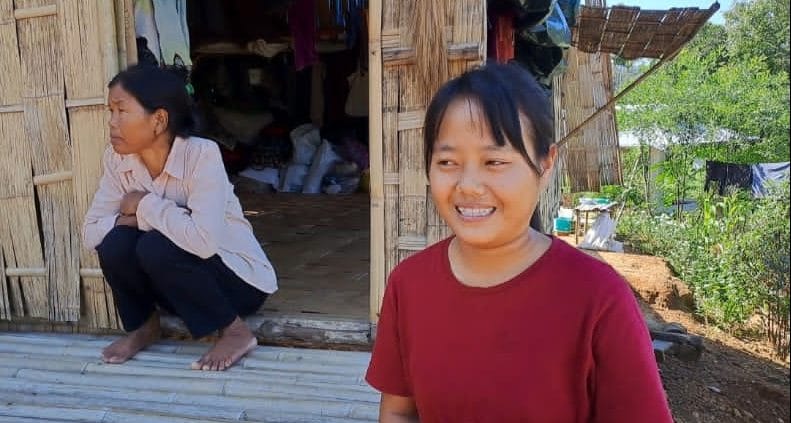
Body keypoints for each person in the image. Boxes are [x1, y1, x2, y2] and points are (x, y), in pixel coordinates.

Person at [365, 63, 673, 422]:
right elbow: (399, 413)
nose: (468, 185)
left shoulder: (598, 297)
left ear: (545, 165)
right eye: (447, 161)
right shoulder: (409, 284)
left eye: (494, 161)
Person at [83, 64, 277, 371]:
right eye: (110, 111)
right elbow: (91, 233)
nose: (112, 122)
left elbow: (202, 242)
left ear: (159, 119)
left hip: (237, 284)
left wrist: (144, 206)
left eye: (121, 111)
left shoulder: (202, 155)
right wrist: (136, 220)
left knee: (156, 246)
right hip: (176, 288)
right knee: (115, 243)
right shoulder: (118, 160)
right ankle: (143, 325)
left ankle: (235, 330)